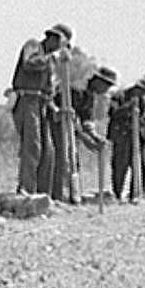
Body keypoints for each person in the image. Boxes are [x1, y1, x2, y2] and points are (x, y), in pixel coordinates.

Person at [9, 23, 71, 195]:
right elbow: (28, 64)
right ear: (54, 38)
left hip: (41, 105)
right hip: (26, 101)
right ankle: (26, 190)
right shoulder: (33, 46)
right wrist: (53, 58)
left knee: (48, 152)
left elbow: (48, 92)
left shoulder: (50, 64)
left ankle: (43, 194)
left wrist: (56, 109)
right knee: (32, 146)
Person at [48, 65, 117, 202]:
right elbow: (69, 118)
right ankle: (57, 196)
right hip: (57, 127)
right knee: (62, 161)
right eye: (107, 85)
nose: (107, 89)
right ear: (98, 80)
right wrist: (85, 139)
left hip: (72, 132)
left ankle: (71, 194)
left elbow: (86, 121)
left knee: (73, 162)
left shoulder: (90, 96)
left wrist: (95, 137)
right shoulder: (75, 90)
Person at [107, 79, 145, 200]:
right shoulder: (119, 96)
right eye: (141, 91)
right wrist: (128, 106)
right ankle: (117, 194)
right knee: (120, 165)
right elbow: (113, 113)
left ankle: (135, 194)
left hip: (136, 138)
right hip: (121, 136)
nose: (142, 94)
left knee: (140, 166)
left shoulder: (143, 103)